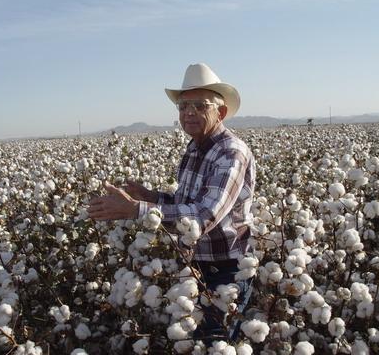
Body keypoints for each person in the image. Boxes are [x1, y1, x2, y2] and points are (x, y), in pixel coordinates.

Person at [88, 63, 256, 344]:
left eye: (200, 106)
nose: (188, 112)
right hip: (198, 267)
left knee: (214, 345)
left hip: (227, 271)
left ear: (221, 112)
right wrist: (152, 198)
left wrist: (136, 210)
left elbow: (203, 215)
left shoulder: (230, 152)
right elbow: (185, 203)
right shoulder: (194, 148)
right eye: (183, 106)